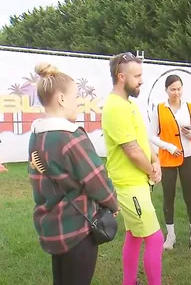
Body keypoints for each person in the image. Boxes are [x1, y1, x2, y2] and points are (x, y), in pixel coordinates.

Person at [27, 63, 119, 285]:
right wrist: (113, 205)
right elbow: (97, 180)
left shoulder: (36, 135)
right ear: (61, 99)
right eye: (76, 96)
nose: (79, 102)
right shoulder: (70, 136)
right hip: (77, 229)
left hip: (52, 227)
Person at [102, 52, 164, 285]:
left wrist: (155, 159)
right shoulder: (115, 107)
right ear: (121, 77)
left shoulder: (129, 103)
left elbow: (141, 140)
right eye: (136, 76)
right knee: (155, 239)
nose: (141, 80)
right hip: (129, 185)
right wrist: (151, 170)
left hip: (138, 182)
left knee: (134, 235)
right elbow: (131, 150)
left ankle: (129, 282)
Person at [149, 74, 191, 250]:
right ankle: (171, 235)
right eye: (172, 89)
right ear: (166, 90)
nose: (176, 92)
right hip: (168, 158)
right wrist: (168, 147)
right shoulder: (158, 109)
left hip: (188, 157)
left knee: (190, 196)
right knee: (168, 197)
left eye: (179, 88)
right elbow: (151, 135)